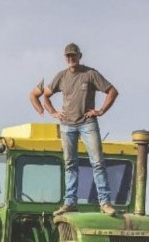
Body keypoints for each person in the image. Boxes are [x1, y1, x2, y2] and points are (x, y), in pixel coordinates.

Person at [41, 43, 119, 215]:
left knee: (97, 162)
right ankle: (70, 202)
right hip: (67, 125)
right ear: (65, 58)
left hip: (87, 123)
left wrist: (101, 111)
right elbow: (45, 95)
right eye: (68, 56)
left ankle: (105, 203)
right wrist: (53, 112)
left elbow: (112, 91)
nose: (71, 59)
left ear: (79, 56)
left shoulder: (90, 74)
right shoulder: (61, 77)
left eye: (73, 55)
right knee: (70, 164)